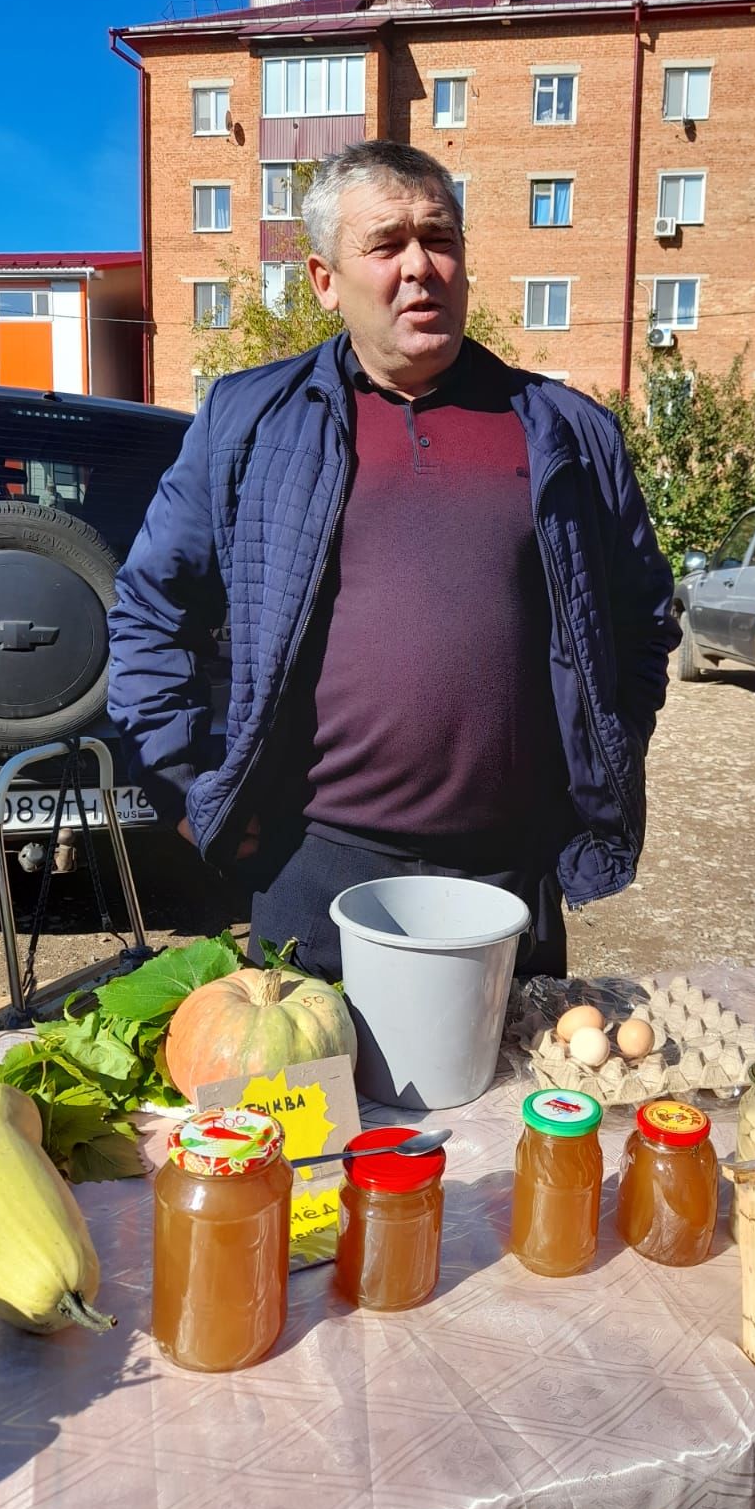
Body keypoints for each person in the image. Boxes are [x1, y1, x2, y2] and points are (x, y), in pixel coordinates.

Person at [107, 139, 679, 981]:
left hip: (509, 872)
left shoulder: (565, 431)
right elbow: (152, 613)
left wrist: (607, 749)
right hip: (314, 864)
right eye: (387, 245)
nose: (421, 267)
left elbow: (640, 624)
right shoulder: (251, 422)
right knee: (311, 1106)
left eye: (440, 239)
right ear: (324, 279)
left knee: (503, 1108)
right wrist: (188, 782)